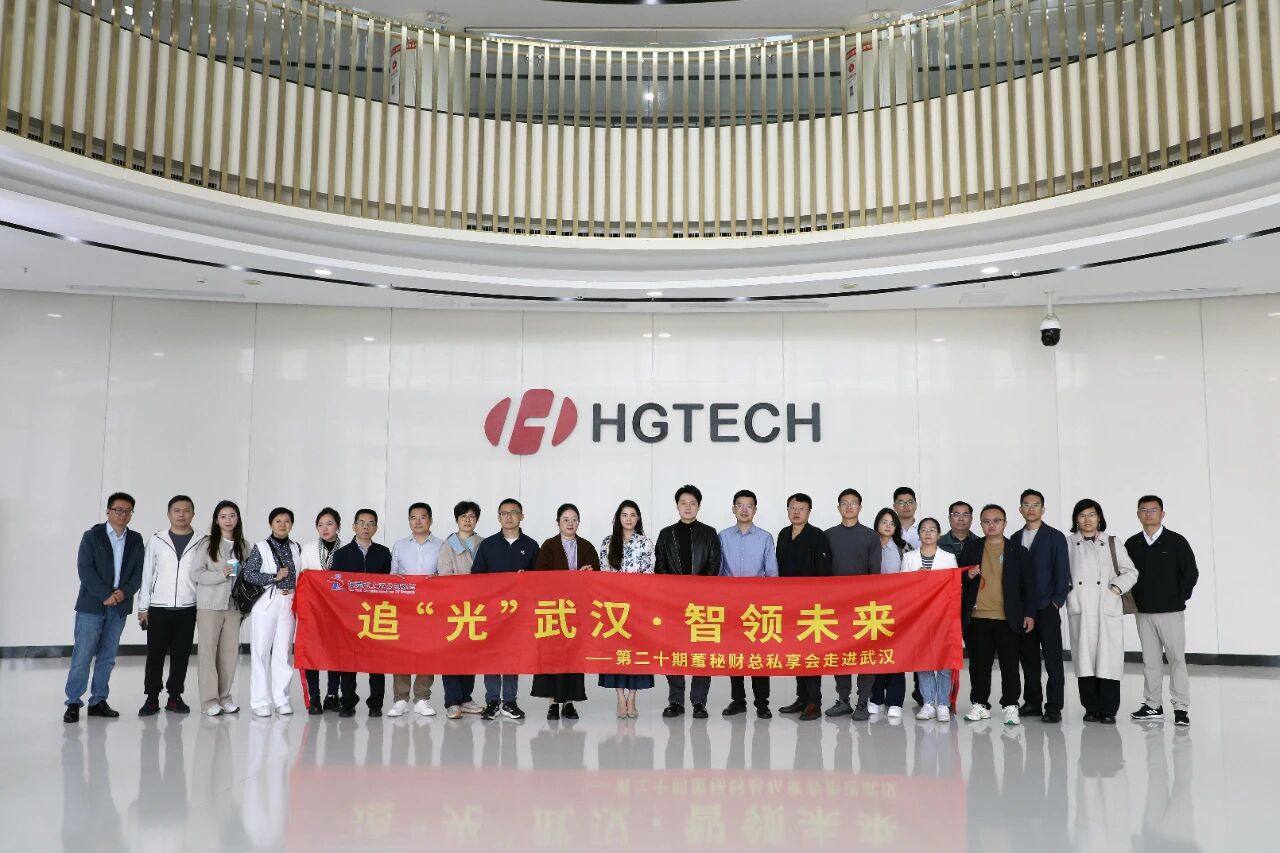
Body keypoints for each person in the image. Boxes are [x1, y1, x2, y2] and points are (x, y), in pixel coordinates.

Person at [64, 492, 145, 722]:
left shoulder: (136, 539)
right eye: (118, 509)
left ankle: (98, 700)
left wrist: (123, 593)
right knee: (82, 655)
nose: (123, 514)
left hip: (119, 606)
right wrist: (105, 595)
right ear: (108, 511)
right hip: (92, 605)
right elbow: (85, 569)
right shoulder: (92, 536)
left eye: (128, 510)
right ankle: (73, 702)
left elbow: (139, 572)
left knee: (108, 657)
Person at [1125, 495, 1198, 727]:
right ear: (1138, 514)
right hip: (1143, 613)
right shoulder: (1132, 544)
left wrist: (1178, 597)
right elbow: (1125, 574)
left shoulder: (1176, 541)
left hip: (1170, 613)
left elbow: (1191, 573)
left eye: (1153, 510)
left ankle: (1180, 707)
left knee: (1176, 659)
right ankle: (1153, 705)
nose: (1148, 514)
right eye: (1144, 510)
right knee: (1150, 661)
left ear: (1162, 514)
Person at [960, 504, 1035, 726]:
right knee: (979, 664)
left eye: (996, 520)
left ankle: (1011, 705)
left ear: (1005, 523)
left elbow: (1028, 586)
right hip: (978, 616)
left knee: (1009, 664)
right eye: (986, 521)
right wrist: (968, 576)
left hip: (1007, 617)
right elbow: (957, 580)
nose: (991, 525)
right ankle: (979, 704)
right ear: (980, 524)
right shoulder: (971, 549)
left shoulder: (1018, 551)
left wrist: (1029, 614)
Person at [1066, 498, 1138, 724]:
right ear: (1076, 520)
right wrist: (1070, 592)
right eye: (1082, 515)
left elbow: (1130, 571)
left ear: (1099, 518)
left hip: (1106, 607)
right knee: (1084, 659)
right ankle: (1090, 707)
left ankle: (1108, 710)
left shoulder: (1112, 542)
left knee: (1108, 660)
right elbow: (1060, 573)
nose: (1087, 519)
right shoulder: (1068, 544)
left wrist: (1115, 588)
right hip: (1081, 608)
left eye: (1092, 514)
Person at [654, 484, 721, 719]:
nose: (688, 507)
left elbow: (714, 566)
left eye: (692, 503)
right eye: (683, 503)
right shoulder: (666, 534)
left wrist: (697, 591)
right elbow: (660, 567)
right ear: (677, 506)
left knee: (702, 652)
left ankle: (699, 702)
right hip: (673, 603)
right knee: (674, 651)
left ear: (699, 506)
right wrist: (676, 592)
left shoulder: (709, 533)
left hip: (702, 604)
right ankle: (675, 701)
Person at [136, 495, 205, 716]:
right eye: (177, 510)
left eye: (186, 510)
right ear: (168, 514)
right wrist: (143, 607)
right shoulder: (157, 540)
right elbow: (147, 575)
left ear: (193, 514)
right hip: (158, 607)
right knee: (155, 655)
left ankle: (175, 697)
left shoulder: (202, 541)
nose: (181, 514)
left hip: (188, 607)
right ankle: (151, 698)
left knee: (181, 655)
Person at [471, 498, 538, 720]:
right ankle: (492, 701)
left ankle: (509, 701)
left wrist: (527, 578)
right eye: (504, 513)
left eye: (513, 512)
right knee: (492, 655)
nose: (509, 517)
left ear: (522, 516)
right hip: (492, 611)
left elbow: (541, 580)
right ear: (498, 517)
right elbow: (476, 577)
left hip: (518, 612)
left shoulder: (531, 545)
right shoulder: (488, 545)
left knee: (511, 655)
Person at [532, 503, 599, 720]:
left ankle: (569, 703)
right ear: (558, 522)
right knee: (552, 657)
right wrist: (571, 577)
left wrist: (587, 574)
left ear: (579, 522)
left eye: (574, 520)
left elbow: (597, 579)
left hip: (577, 611)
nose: (570, 524)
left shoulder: (587, 547)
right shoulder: (548, 546)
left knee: (573, 657)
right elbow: (540, 578)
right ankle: (552, 703)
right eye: (565, 520)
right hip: (554, 609)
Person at [1010, 489, 1071, 724]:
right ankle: (1033, 702)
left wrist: (1056, 603)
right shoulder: (1015, 537)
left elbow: (1062, 572)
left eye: (1036, 505)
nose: (1031, 509)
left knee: (1053, 659)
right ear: (1020, 509)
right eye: (1027, 505)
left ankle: (1054, 706)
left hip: (1047, 607)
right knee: (1028, 659)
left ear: (1043, 509)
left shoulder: (1055, 537)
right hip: (1024, 609)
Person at [719, 489, 777, 719]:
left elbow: (772, 573)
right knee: (735, 654)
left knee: (759, 654)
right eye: (740, 505)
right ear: (733, 509)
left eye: (749, 506)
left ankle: (762, 703)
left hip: (758, 606)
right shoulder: (723, 536)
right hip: (731, 604)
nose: (744, 510)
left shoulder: (765, 537)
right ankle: (738, 700)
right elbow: (719, 572)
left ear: (755, 509)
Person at [824, 487, 881, 720]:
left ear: (860, 507)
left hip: (864, 606)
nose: (849, 507)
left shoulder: (870, 536)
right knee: (840, 653)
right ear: (838, 508)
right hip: (836, 606)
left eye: (853, 503)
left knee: (865, 654)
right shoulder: (828, 535)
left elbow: (875, 573)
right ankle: (843, 699)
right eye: (844, 503)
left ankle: (863, 701)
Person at [774, 493, 832, 721]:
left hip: (811, 606)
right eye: (792, 508)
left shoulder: (817, 536)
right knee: (796, 652)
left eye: (802, 508)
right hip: (789, 604)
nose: (796, 512)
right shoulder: (783, 534)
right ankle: (802, 698)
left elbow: (824, 572)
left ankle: (814, 702)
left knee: (811, 654)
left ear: (809, 512)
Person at [332, 508, 394, 717]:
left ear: (376, 528)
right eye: (362, 523)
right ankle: (348, 702)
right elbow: (335, 585)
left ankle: (376, 704)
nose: (366, 527)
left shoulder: (383, 553)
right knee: (348, 660)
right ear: (354, 526)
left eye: (370, 523)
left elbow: (390, 584)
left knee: (376, 661)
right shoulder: (341, 554)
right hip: (350, 615)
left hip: (376, 614)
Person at [599, 500, 656, 718]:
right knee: (617, 654)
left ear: (638, 518)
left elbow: (650, 573)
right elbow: (603, 574)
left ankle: (632, 698)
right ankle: (620, 698)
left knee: (636, 653)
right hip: (614, 607)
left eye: (633, 515)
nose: (629, 519)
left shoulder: (645, 543)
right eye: (624, 515)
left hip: (638, 606)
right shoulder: (607, 542)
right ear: (618, 518)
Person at [241, 507, 301, 716]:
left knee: (283, 652)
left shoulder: (295, 547)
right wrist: (273, 577)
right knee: (261, 651)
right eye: (278, 521)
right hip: (267, 601)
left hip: (289, 601)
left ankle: (281, 699)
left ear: (291, 525)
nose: (282, 525)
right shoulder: (261, 547)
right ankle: (260, 701)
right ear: (271, 524)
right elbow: (249, 574)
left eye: (286, 521)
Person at [190, 500, 248, 717]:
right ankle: (209, 701)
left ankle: (225, 698)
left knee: (229, 654)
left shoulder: (244, 545)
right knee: (208, 653)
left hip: (233, 607)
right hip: (210, 606)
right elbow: (196, 573)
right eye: (223, 516)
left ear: (238, 519)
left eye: (232, 516)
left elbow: (249, 576)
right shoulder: (207, 544)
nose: (228, 520)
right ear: (216, 520)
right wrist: (221, 575)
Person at [388, 502, 444, 718]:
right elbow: (392, 574)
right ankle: (400, 699)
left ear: (430, 520)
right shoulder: (400, 545)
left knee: (427, 651)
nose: (418, 521)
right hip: (404, 607)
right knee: (401, 651)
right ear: (409, 521)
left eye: (422, 517)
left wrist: (437, 579)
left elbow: (445, 574)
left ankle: (422, 698)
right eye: (413, 517)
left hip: (430, 607)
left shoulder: (441, 545)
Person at [902, 517, 959, 721]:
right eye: (924, 530)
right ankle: (928, 703)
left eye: (932, 529)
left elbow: (955, 586)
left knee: (944, 660)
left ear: (939, 534)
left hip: (943, 616)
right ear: (918, 535)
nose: (928, 533)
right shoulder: (909, 558)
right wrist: (915, 578)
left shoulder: (948, 558)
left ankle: (943, 703)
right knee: (923, 660)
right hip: (919, 616)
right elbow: (901, 588)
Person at [437, 500, 486, 719]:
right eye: (463, 516)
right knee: (451, 654)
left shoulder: (484, 544)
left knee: (471, 654)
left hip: (477, 608)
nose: (467, 520)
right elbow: (444, 577)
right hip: (454, 608)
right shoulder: (448, 546)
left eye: (472, 516)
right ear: (456, 519)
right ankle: (452, 701)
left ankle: (466, 698)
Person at [868, 507, 913, 718]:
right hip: (872, 608)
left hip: (897, 608)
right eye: (884, 522)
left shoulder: (904, 548)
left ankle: (895, 700)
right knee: (875, 653)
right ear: (877, 524)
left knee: (896, 653)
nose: (888, 526)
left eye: (892, 523)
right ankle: (875, 697)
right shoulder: (869, 545)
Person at [299, 508, 343, 713]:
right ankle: (315, 697)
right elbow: (301, 578)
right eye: (320, 525)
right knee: (312, 652)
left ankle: (332, 695)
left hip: (337, 611)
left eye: (329, 524)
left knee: (335, 652)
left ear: (338, 526)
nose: (325, 528)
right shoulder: (308, 549)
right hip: (313, 609)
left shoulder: (345, 550)